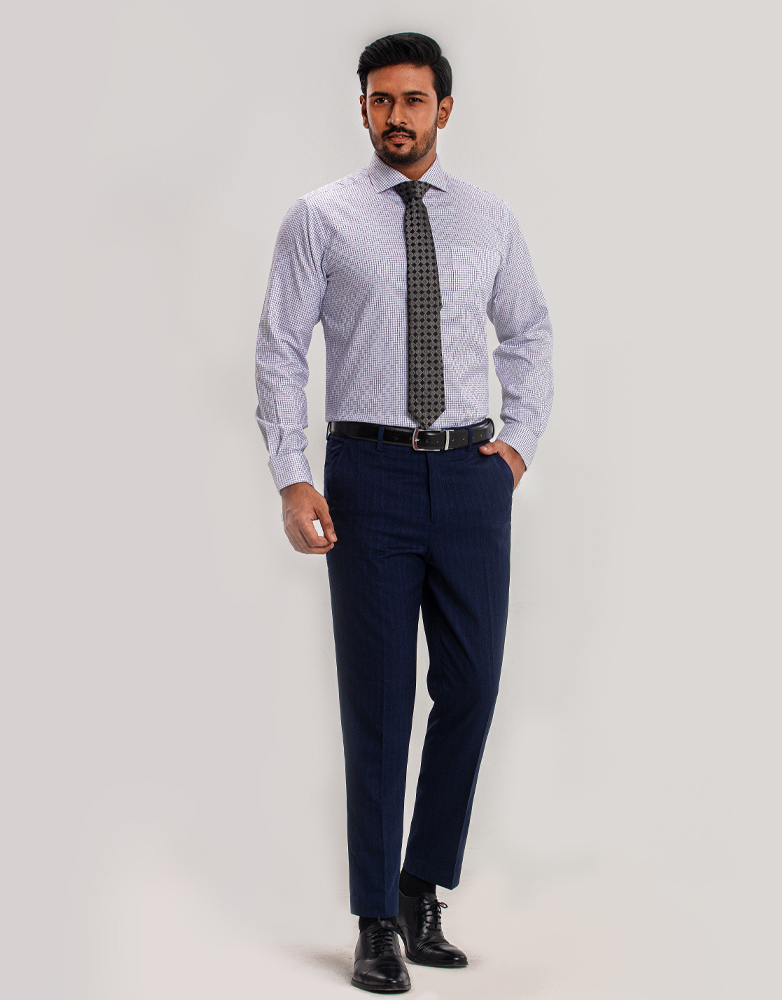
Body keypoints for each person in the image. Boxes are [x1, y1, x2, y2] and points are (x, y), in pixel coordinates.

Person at [255, 31, 553, 993]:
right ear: (363, 108)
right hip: (368, 479)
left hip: (472, 479)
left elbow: (529, 333)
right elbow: (279, 347)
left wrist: (516, 448)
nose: (396, 116)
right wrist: (294, 475)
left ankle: (423, 885)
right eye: (381, 100)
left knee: (471, 688)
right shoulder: (321, 218)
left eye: (413, 100)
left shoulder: (490, 220)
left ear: (444, 110)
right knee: (379, 703)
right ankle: (376, 918)